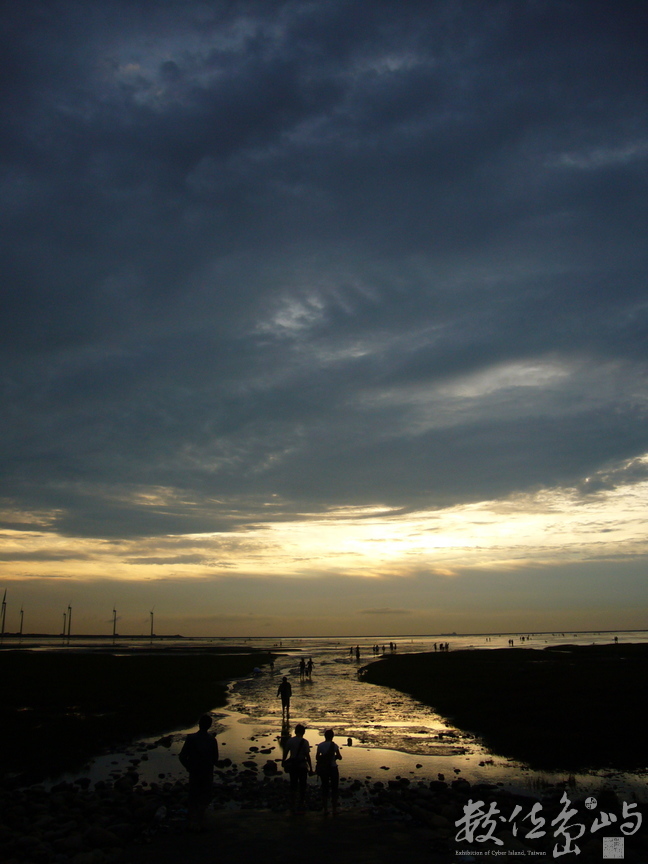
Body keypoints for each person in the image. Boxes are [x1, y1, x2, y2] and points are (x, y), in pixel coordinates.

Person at [178, 715, 219, 831]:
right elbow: (215, 759)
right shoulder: (212, 740)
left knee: (193, 797)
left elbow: (182, 756)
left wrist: (188, 767)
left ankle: (192, 822)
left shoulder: (191, 738)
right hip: (206, 773)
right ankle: (200, 822)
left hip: (195, 772)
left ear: (199, 724)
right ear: (209, 725)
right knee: (204, 798)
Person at [282, 723, 313, 812]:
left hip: (293, 765)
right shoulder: (305, 742)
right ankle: (301, 803)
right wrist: (311, 768)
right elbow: (308, 756)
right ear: (303, 732)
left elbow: (286, 752)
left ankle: (292, 804)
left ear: (295, 732)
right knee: (303, 785)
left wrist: (283, 761)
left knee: (293, 784)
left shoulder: (290, 741)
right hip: (302, 765)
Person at [316, 729, 342, 815]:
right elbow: (340, 757)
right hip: (333, 768)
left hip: (324, 769)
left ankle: (325, 809)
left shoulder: (320, 745)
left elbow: (317, 757)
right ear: (332, 736)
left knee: (325, 788)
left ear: (325, 736)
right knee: (334, 788)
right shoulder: (334, 746)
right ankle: (334, 809)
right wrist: (334, 757)